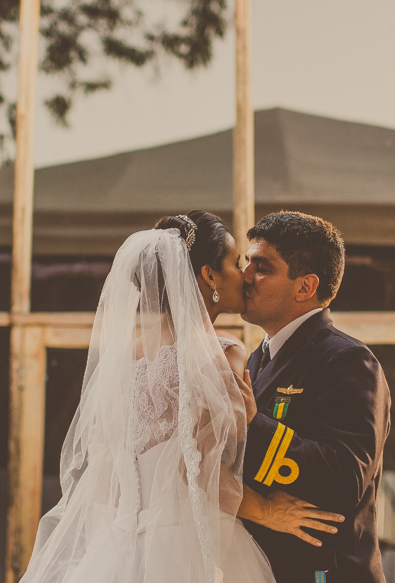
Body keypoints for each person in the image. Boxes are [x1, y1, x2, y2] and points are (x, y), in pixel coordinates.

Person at [19, 211, 342, 583]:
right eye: (236, 263)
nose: (246, 275)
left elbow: (107, 479)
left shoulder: (124, 359)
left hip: (121, 547)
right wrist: (269, 511)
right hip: (188, 548)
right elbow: (196, 469)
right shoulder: (221, 354)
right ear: (209, 276)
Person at [237, 211, 392, 583]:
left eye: (262, 267)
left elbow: (343, 480)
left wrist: (252, 423)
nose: (245, 277)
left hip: (324, 573)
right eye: (247, 264)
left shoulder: (347, 360)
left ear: (305, 287)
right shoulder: (257, 359)